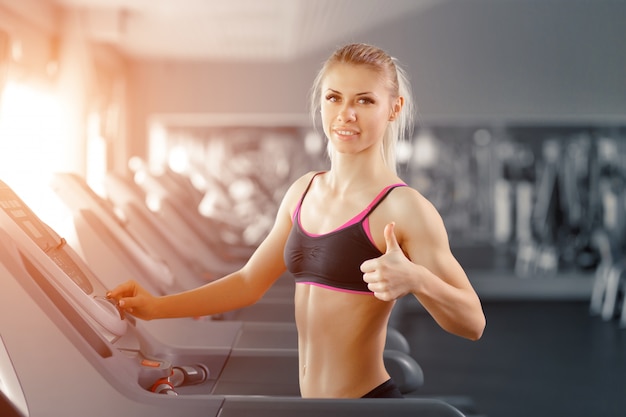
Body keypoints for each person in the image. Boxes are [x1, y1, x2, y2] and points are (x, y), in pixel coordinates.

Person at [107, 42, 486, 399]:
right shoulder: (303, 191)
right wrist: (155, 307)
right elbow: (248, 283)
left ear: (394, 108)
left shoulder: (402, 207)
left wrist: (416, 279)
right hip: (312, 405)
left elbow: (472, 323)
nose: (346, 114)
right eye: (334, 97)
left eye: (365, 100)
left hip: (366, 405)